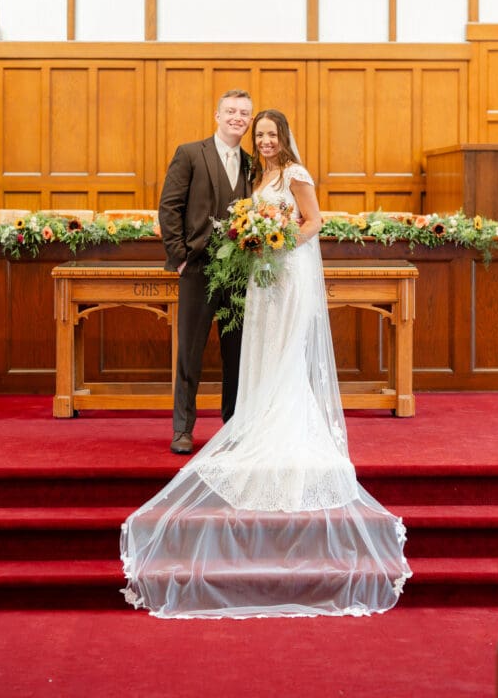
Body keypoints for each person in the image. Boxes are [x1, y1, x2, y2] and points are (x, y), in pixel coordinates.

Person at [121, 108, 411, 618]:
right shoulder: (255, 175)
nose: (265, 140)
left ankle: (272, 426)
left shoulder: (295, 173)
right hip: (256, 278)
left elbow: (314, 221)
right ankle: (230, 424)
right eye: (260, 133)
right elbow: (179, 207)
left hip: (284, 273)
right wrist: (248, 240)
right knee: (249, 352)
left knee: (281, 355)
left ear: (284, 137)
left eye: (271, 133)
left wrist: (279, 242)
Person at [158, 89, 254, 455]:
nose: (237, 117)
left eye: (243, 113)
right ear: (217, 115)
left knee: (237, 354)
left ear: (249, 120)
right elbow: (169, 207)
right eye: (230, 111)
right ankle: (183, 429)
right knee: (190, 352)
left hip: (239, 270)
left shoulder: (252, 164)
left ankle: (233, 427)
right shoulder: (189, 154)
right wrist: (180, 257)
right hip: (198, 267)